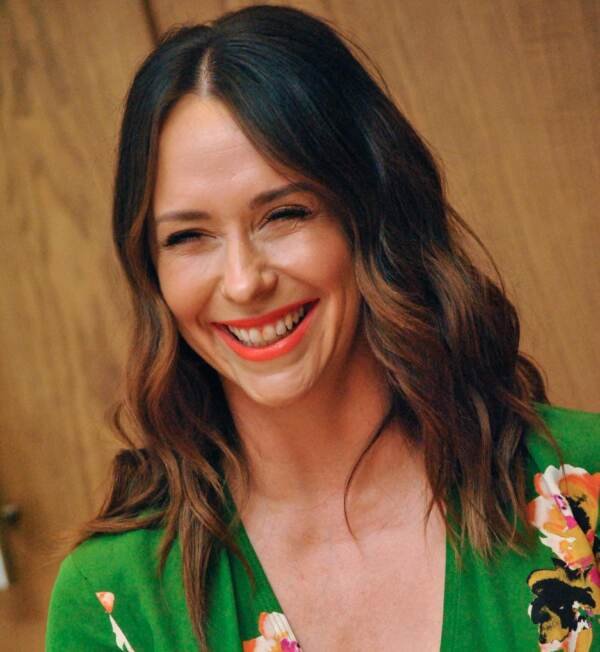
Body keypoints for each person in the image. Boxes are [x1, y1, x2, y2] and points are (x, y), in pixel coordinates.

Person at [46, 4, 599, 651]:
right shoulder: (116, 602)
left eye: (283, 214)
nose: (244, 281)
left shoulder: (586, 485)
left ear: (370, 213)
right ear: (152, 270)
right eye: (189, 236)